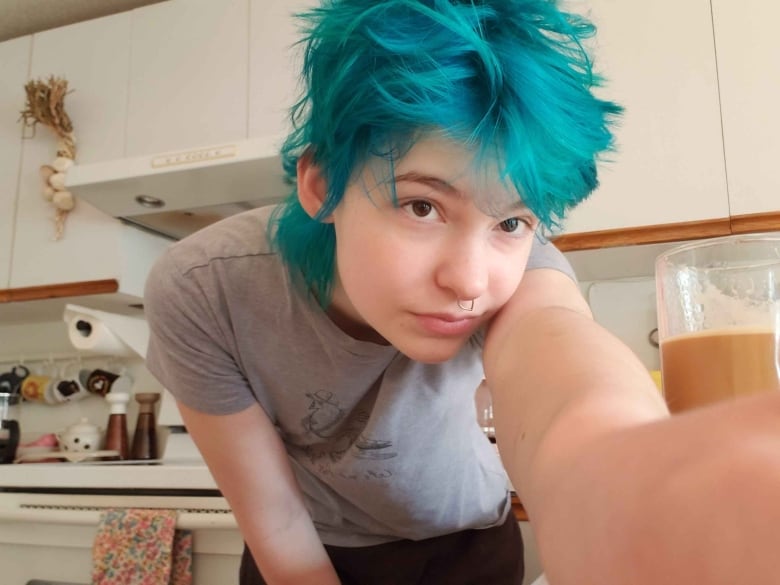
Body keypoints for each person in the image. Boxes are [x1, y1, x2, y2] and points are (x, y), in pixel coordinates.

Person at [144, 1, 780, 584]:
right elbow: (278, 521)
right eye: (422, 206)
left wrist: (615, 472)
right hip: (305, 550)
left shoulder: (524, 267)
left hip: (470, 548)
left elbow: (556, 352)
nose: (472, 281)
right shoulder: (208, 287)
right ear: (324, 185)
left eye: (511, 222)